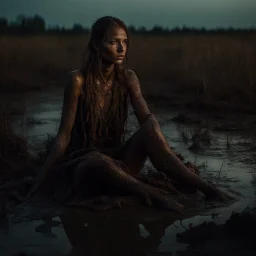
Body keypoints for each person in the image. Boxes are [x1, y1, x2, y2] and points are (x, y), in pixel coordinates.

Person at [25, 16, 232, 213]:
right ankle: (155, 195)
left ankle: (209, 189)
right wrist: (41, 179)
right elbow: (64, 136)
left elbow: (147, 120)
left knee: (150, 128)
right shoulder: (78, 80)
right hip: (86, 166)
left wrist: (164, 148)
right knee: (98, 160)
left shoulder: (127, 78)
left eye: (124, 42)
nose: (121, 48)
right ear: (97, 45)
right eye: (113, 42)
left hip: (121, 165)